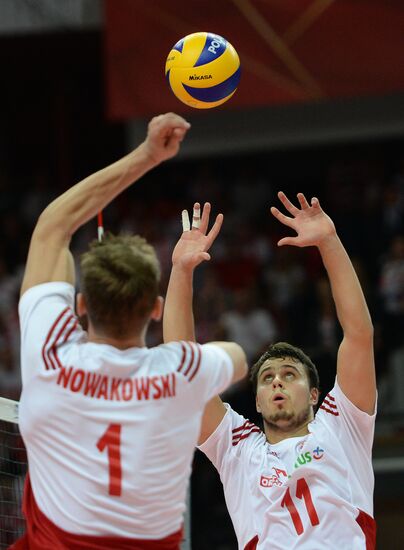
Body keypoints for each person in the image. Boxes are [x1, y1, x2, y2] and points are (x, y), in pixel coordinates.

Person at [14, 113, 247, 549]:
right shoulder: (183, 370)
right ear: (156, 309)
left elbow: (52, 231)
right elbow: (234, 355)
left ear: (80, 307)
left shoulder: (48, 356)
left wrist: (147, 154)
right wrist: (181, 272)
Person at [164, 192, 376, 549]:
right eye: (267, 378)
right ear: (258, 402)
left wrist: (329, 241)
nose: (277, 380)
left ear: (314, 394)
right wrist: (181, 272)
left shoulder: (343, 423)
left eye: (289, 374)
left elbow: (358, 335)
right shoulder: (238, 449)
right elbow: (184, 371)